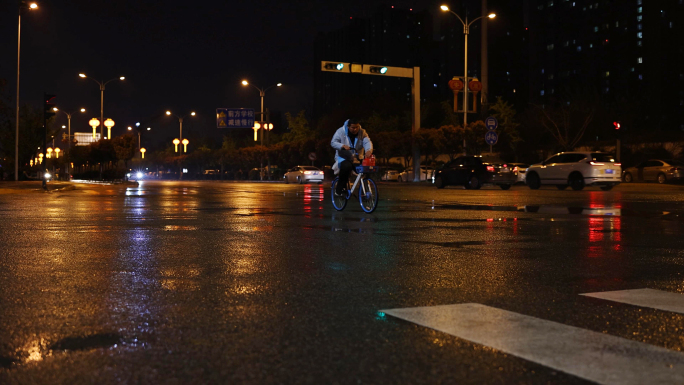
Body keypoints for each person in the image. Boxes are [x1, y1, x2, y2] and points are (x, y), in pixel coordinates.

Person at [330, 118, 373, 196]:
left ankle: (365, 190)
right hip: (343, 157)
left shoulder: (362, 132)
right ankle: (339, 190)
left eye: (357, 127)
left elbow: (367, 142)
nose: (355, 129)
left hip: (357, 158)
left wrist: (369, 150)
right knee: (346, 167)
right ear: (348, 126)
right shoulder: (340, 131)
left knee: (366, 169)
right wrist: (342, 146)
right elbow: (333, 142)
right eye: (353, 127)